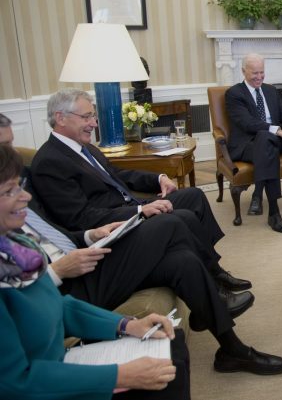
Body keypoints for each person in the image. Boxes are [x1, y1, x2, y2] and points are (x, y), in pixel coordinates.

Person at [0, 144, 188, 400]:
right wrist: (119, 376)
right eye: (10, 191)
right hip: (40, 386)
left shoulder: (17, 248)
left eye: (20, 185)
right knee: (164, 377)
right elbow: (14, 384)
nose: (26, 197)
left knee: (171, 345)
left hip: (58, 367)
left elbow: (60, 307)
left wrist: (127, 325)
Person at [30, 89, 250, 294]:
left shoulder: (84, 147)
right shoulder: (49, 162)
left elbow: (116, 175)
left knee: (194, 196)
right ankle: (212, 279)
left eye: (93, 116)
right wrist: (140, 210)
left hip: (130, 205)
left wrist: (158, 178)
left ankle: (213, 269)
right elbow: (80, 218)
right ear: (61, 118)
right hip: (114, 224)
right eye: (86, 117)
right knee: (181, 216)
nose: (94, 123)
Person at [225, 53, 282, 233]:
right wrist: (279, 131)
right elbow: (248, 123)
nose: (259, 77)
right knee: (264, 138)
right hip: (247, 145)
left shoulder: (271, 90)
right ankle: (274, 212)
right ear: (243, 71)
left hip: (273, 142)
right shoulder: (234, 93)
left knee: (266, 140)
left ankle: (258, 193)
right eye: (254, 73)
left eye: (262, 72)